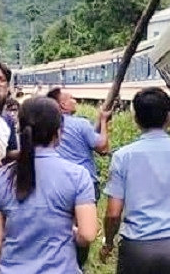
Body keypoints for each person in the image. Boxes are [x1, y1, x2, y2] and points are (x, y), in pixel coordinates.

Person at [100, 87, 170, 274]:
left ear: (136, 119)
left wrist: (109, 242)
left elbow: (113, 214)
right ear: (168, 117)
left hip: (135, 249)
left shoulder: (122, 157)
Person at [0, 97, 98, 273]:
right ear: (59, 132)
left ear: (19, 129)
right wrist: (71, 232)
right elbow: (87, 234)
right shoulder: (77, 175)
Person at [47, 87, 111, 266]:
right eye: (72, 98)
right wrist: (104, 121)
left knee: (61, 227)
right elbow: (103, 148)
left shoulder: (48, 126)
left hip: (56, 186)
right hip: (85, 186)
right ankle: (78, 265)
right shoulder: (81, 124)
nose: (75, 100)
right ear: (63, 105)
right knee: (83, 229)